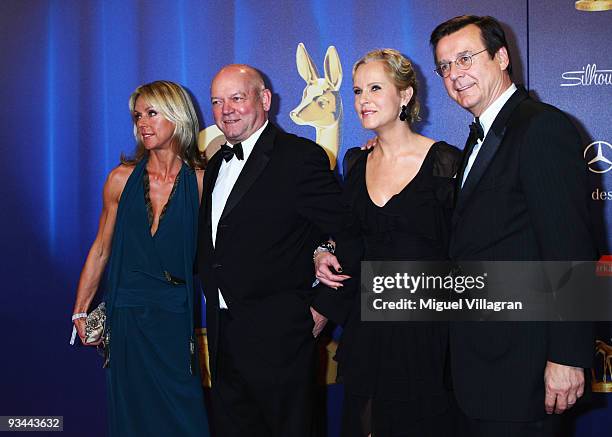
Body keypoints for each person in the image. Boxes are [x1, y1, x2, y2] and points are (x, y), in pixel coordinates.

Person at [430, 15, 596, 436]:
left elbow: (570, 249)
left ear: (502, 57)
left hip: (527, 368)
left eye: (465, 58)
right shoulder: (480, 136)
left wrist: (569, 356)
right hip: (481, 366)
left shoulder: (541, 127)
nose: (455, 74)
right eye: (445, 66)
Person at [315, 49, 461, 437]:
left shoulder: (446, 163)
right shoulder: (355, 162)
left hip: (427, 334)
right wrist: (321, 251)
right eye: (358, 90)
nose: (363, 100)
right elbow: (343, 238)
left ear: (406, 95)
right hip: (369, 330)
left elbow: (466, 251)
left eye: (376, 88)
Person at [196, 64, 348, 437]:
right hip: (223, 330)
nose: (226, 109)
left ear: (264, 99)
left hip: (280, 331)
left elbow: (348, 232)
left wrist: (323, 307)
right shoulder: (216, 162)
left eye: (236, 98)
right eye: (217, 101)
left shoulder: (300, 158)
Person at [71, 80, 210, 437]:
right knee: (132, 417)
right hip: (127, 313)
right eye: (138, 115)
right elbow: (101, 247)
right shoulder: (120, 179)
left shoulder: (202, 182)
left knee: (185, 417)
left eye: (152, 113)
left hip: (174, 316)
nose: (142, 123)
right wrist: (80, 310)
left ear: (178, 117)